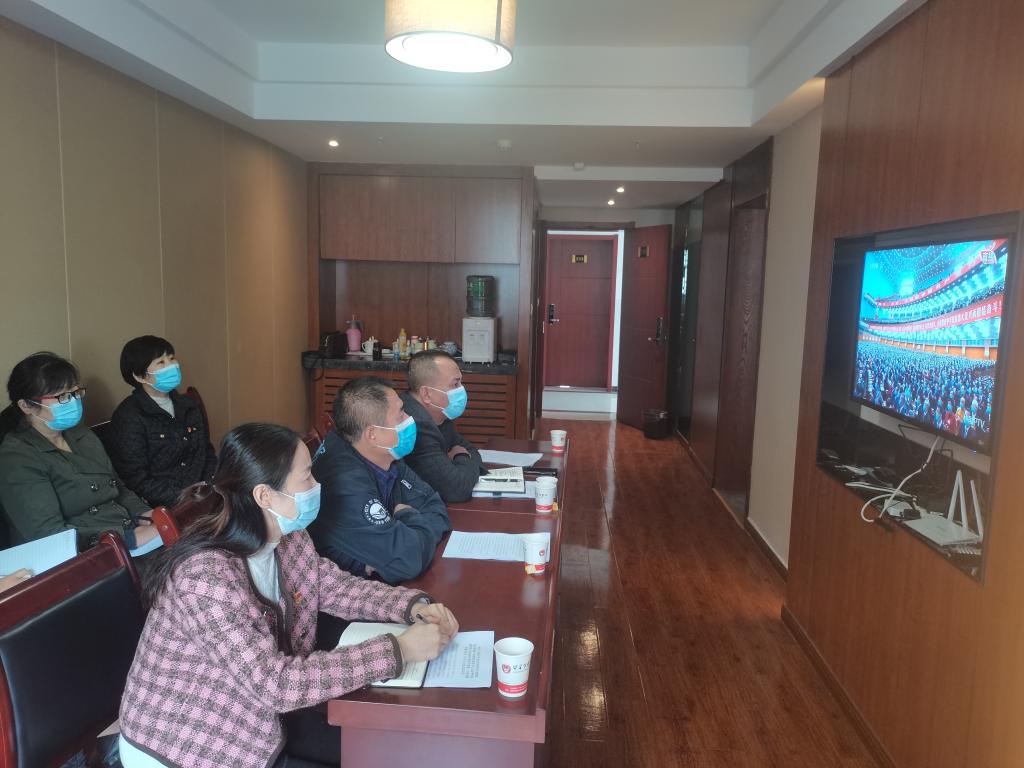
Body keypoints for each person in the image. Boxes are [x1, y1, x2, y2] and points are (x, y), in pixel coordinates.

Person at [118, 422, 458, 768]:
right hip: (193, 741)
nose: (317, 485)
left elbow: (336, 587)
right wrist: (398, 649)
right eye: (306, 477)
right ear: (265, 496)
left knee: (385, 748)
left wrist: (411, 605)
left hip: (263, 714)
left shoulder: (288, 536)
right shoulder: (204, 578)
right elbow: (274, 684)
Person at [0, 352, 158, 552]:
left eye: (75, 393)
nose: (74, 402)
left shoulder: (79, 433)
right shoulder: (17, 456)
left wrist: (146, 515)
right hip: (83, 553)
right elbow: (48, 534)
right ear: (26, 406)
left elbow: (117, 487)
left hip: (126, 530)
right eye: (62, 397)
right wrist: (127, 539)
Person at [309, 376, 451, 584]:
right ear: (372, 434)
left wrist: (407, 532)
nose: (409, 419)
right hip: (344, 592)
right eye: (400, 414)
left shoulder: (384, 454)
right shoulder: (346, 483)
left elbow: (434, 505)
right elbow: (409, 560)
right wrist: (408, 516)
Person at [107, 336, 217, 508]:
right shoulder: (129, 416)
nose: (171, 365)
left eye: (171, 358)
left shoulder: (189, 405)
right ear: (140, 376)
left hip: (204, 495)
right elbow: (136, 479)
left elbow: (207, 453)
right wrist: (184, 499)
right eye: (161, 362)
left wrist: (210, 487)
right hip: (165, 504)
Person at [400, 349, 484, 502]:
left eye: (461, 382)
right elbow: (457, 490)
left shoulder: (441, 414)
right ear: (426, 394)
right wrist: (461, 456)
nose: (462, 390)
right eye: (455, 384)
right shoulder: (416, 426)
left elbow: (471, 450)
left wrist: (459, 459)